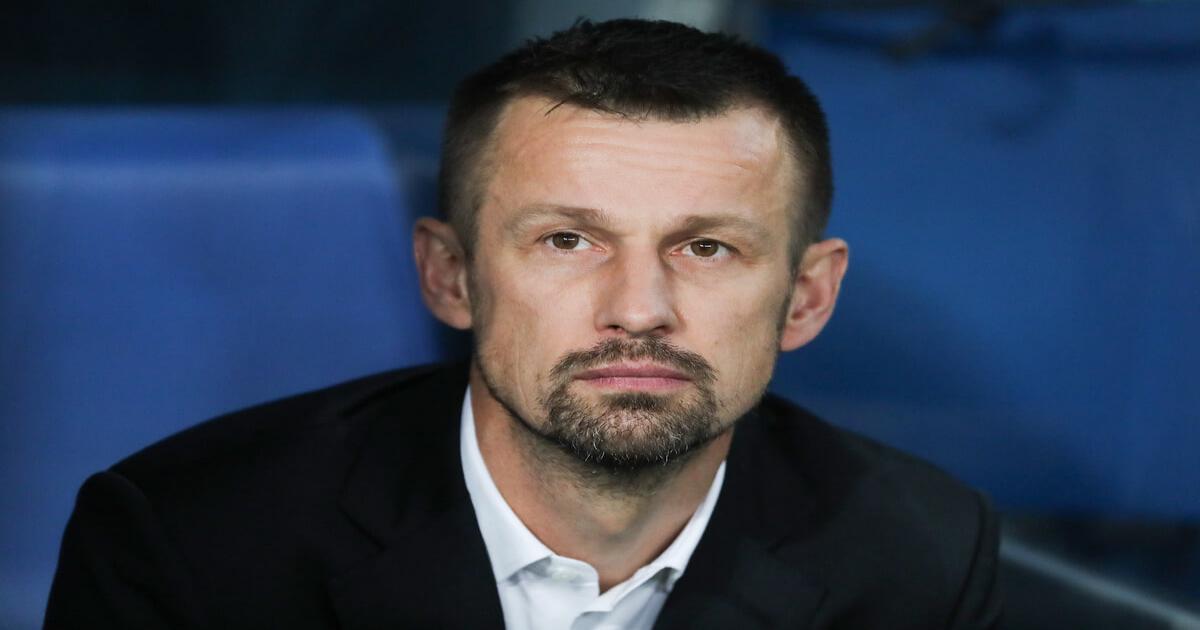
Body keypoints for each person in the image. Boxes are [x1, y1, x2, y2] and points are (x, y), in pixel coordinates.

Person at [46, 18, 1001, 630]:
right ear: (451, 276)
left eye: (706, 247)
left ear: (808, 297)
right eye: (567, 241)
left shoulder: (919, 556)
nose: (639, 309)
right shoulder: (189, 543)